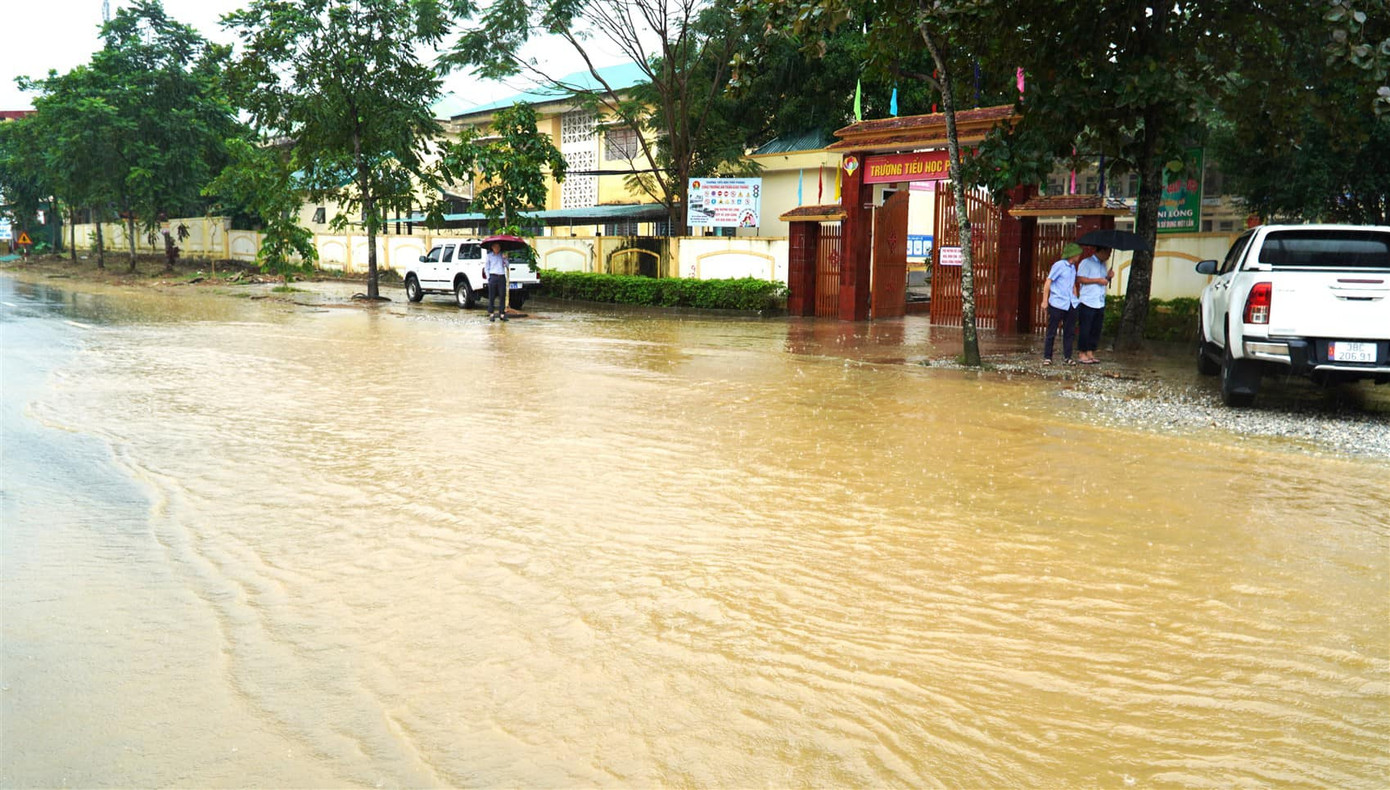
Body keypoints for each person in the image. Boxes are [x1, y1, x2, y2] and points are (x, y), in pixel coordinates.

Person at [1042, 242, 1084, 365]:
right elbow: (1048, 281)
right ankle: (1047, 357)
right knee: (1052, 331)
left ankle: (1068, 356)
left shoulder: (1073, 268)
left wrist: (1075, 298)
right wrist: (1045, 300)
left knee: (1069, 332)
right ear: (1073, 255)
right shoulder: (1059, 265)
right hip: (1057, 302)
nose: (1079, 257)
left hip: (1070, 303)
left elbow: (1072, 285)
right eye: (1078, 254)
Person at [1075, 245, 1114, 364]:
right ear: (1101, 251)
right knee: (1085, 328)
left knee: (1096, 329)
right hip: (1088, 301)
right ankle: (1082, 353)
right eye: (1108, 253)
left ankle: (1091, 352)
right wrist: (1097, 280)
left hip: (1099, 301)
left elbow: (1103, 281)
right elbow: (1080, 279)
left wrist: (1108, 277)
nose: (1109, 256)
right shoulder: (1086, 262)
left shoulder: (1103, 265)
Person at [484, 241, 509, 321]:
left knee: (502, 295)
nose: (497, 249)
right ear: (492, 247)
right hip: (493, 276)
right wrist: (489, 278)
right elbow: (486, 268)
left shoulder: (502, 255)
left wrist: (505, 259)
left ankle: (502, 314)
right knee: (492, 296)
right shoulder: (489, 256)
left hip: (501, 276)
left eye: (498, 247)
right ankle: (491, 313)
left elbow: (507, 266)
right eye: (495, 247)